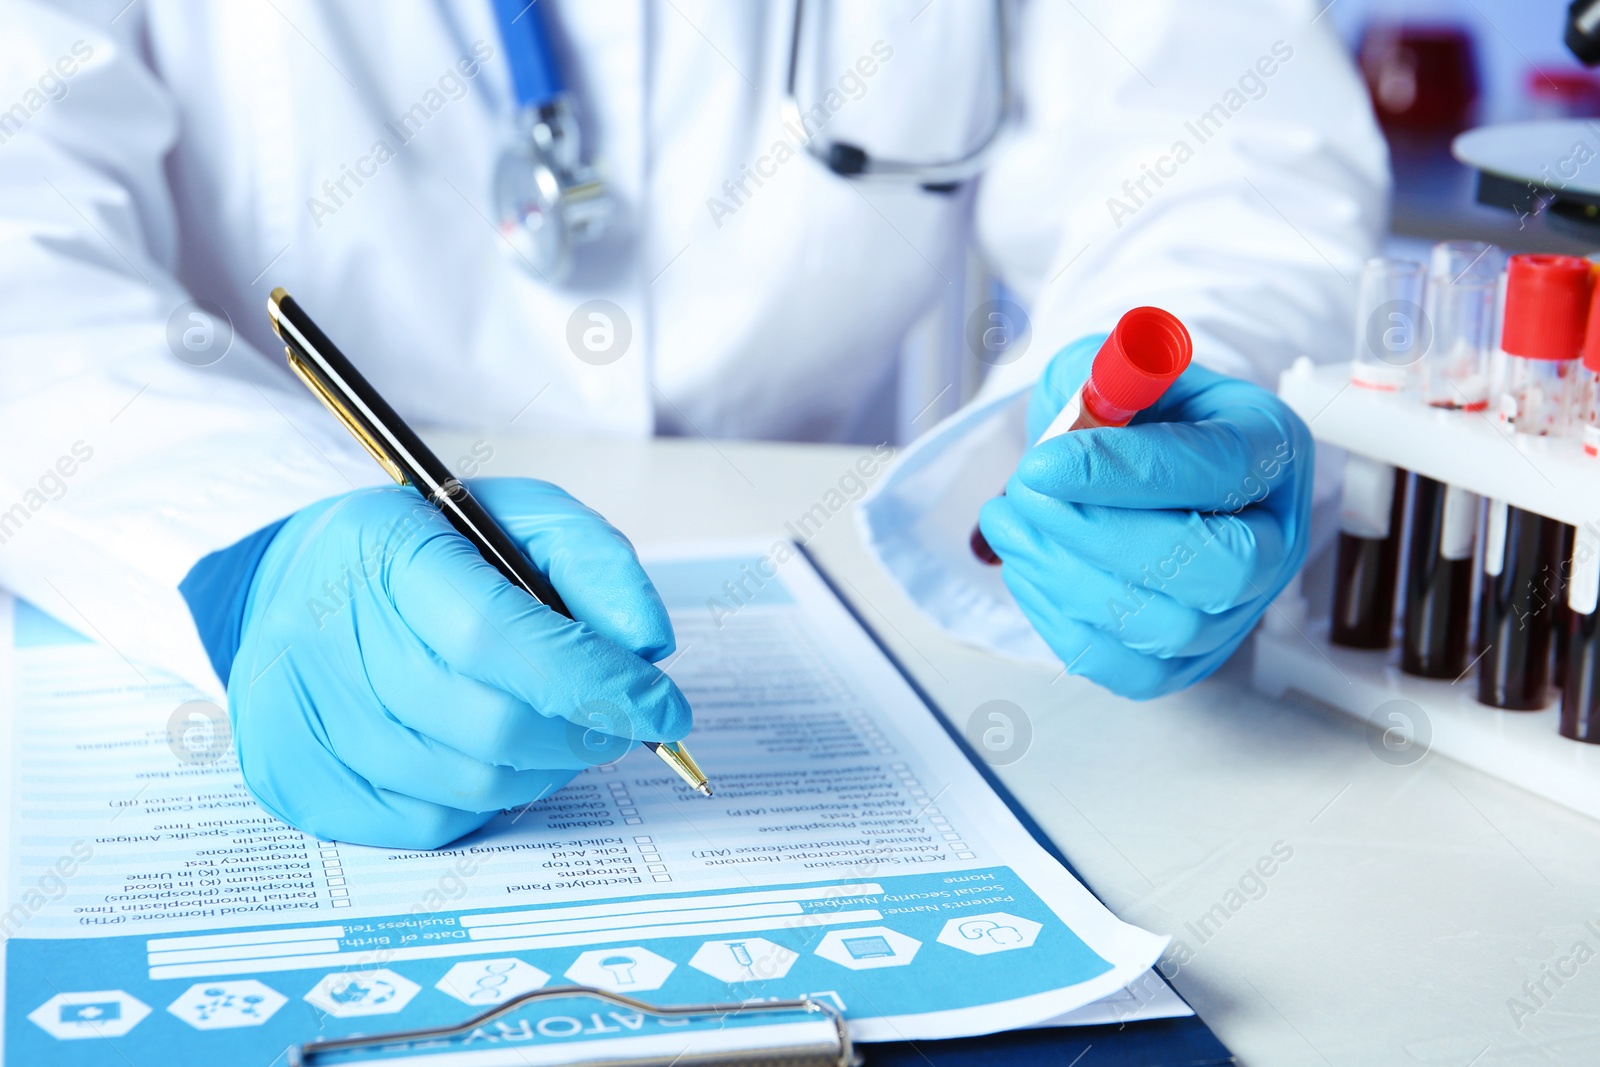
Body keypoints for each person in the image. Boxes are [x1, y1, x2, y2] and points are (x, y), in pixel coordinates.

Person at [0, 0, 1386, 847]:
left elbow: (1229, 155)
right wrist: (247, 541)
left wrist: (1181, 395)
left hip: (854, 592)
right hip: (185, 583)